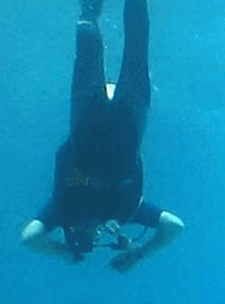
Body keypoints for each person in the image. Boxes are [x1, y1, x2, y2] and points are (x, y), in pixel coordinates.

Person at [20, 0, 184, 272]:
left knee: (101, 48)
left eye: (78, 236)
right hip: (117, 125)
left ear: (70, 233)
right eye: (92, 239)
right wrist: (136, 256)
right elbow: (175, 226)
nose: (91, 235)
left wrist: (63, 253)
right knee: (134, 47)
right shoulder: (124, 212)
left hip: (93, 126)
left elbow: (30, 237)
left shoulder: (64, 210)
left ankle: (90, 10)